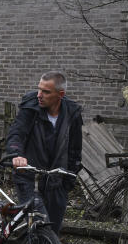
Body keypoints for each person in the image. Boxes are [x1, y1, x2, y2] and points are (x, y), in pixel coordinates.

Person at [5, 71, 83, 233]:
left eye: (46, 92)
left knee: (52, 232)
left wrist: (68, 180)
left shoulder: (72, 114)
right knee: (39, 226)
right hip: (29, 178)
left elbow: (75, 150)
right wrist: (16, 155)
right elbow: (16, 134)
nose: (39, 95)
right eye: (39, 89)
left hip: (57, 181)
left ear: (60, 94)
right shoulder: (30, 108)